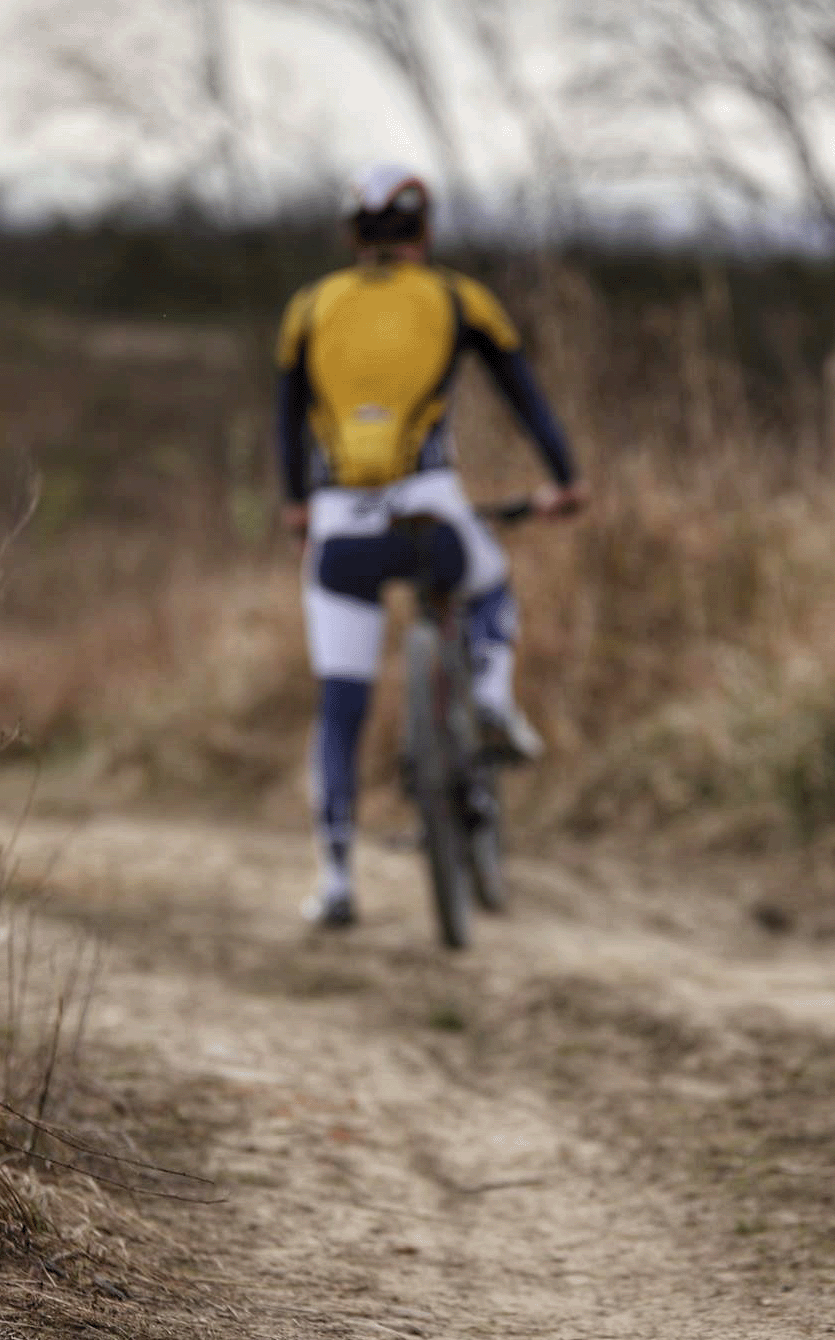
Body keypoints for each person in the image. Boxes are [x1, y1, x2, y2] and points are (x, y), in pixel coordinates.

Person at [275, 162, 587, 927]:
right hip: (432, 518)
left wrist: (295, 507)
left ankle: (337, 879)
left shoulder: (310, 308)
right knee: (488, 584)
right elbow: (525, 397)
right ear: (426, 230)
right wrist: (564, 480)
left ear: (352, 235)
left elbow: (286, 421)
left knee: (340, 704)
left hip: (340, 529)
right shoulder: (457, 299)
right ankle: (486, 693)